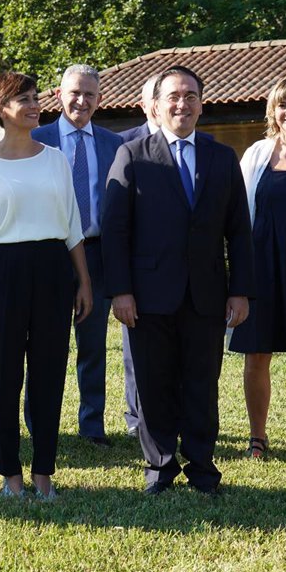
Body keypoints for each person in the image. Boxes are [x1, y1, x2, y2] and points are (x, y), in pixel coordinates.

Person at [103, 65, 255, 495]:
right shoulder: (132, 155)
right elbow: (115, 230)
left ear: (201, 105)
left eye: (190, 96)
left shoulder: (222, 157)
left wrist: (241, 290)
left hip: (207, 294)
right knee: (154, 384)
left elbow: (239, 231)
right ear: (155, 106)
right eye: (173, 96)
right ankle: (160, 467)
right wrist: (120, 291)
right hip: (148, 296)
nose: (182, 104)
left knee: (203, 385)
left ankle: (202, 467)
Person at [0, 71, 92, 498]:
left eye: (36, 98)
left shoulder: (55, 159)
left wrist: (84, 281)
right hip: (1, 272)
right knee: (3, 375)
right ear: (1, 108)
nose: (35, 105)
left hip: (53, 270)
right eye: (25, 100)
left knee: (49, 374)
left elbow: (72, 226)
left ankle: (43, 474)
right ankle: (10, 475)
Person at [30, 65, 123, 448]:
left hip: (96, 253)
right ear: (58, 95)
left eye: (89, 94)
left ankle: (92, 425)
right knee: (43, 343)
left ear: (99, 99)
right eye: (74, 93)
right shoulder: (36, 139)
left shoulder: (114, 144)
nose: (81, 101)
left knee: (93, 344)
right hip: (49, 253)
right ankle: (39, 424)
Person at [230, 77, 286, 460]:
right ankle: (257, 437)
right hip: (261, 266)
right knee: (257, 352)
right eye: (282, 105)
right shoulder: (256, 154)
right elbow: (237, 213)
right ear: (272, 110)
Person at [114, 73, 161, 438]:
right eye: (153, 98)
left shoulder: (198, 143)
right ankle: (136, 416)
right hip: (133, 260)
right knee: (134, 346)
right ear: (145, 104)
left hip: (174, 263)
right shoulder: (123, 143)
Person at [119, 74, 161, 143]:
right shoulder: (121, 141)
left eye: (171, 98)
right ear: (143, 106)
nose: (162, 105)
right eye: (155, 98)